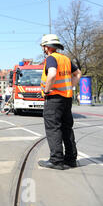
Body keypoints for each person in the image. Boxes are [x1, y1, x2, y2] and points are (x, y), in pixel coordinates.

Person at [38, 34, 82, 170]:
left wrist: (46, 90)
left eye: (44, 47)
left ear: (47, 47)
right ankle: (70, 159)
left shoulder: (51, 59)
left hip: (54, 99)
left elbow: (51, 74)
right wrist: (70, 87)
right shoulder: (66, 59)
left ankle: (56, 160)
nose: (44, 49)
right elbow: (78, 73)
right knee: (66, 128)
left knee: (53, 128)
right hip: (66, 99)